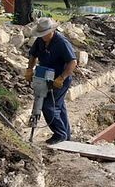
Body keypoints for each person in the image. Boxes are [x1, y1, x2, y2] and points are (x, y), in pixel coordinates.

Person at [25, 17, 77, 145]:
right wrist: (30, 69)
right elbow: (33, 55)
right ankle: (66, 135)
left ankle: (60, 134)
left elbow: (73, 62)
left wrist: (61, 78)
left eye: (45, 34)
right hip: (45, 76)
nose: (43, 36)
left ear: (52, 31)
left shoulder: (61, 42)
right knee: (59, 107)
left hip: (60, 79)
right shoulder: (40, 41)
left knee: (48, 106)